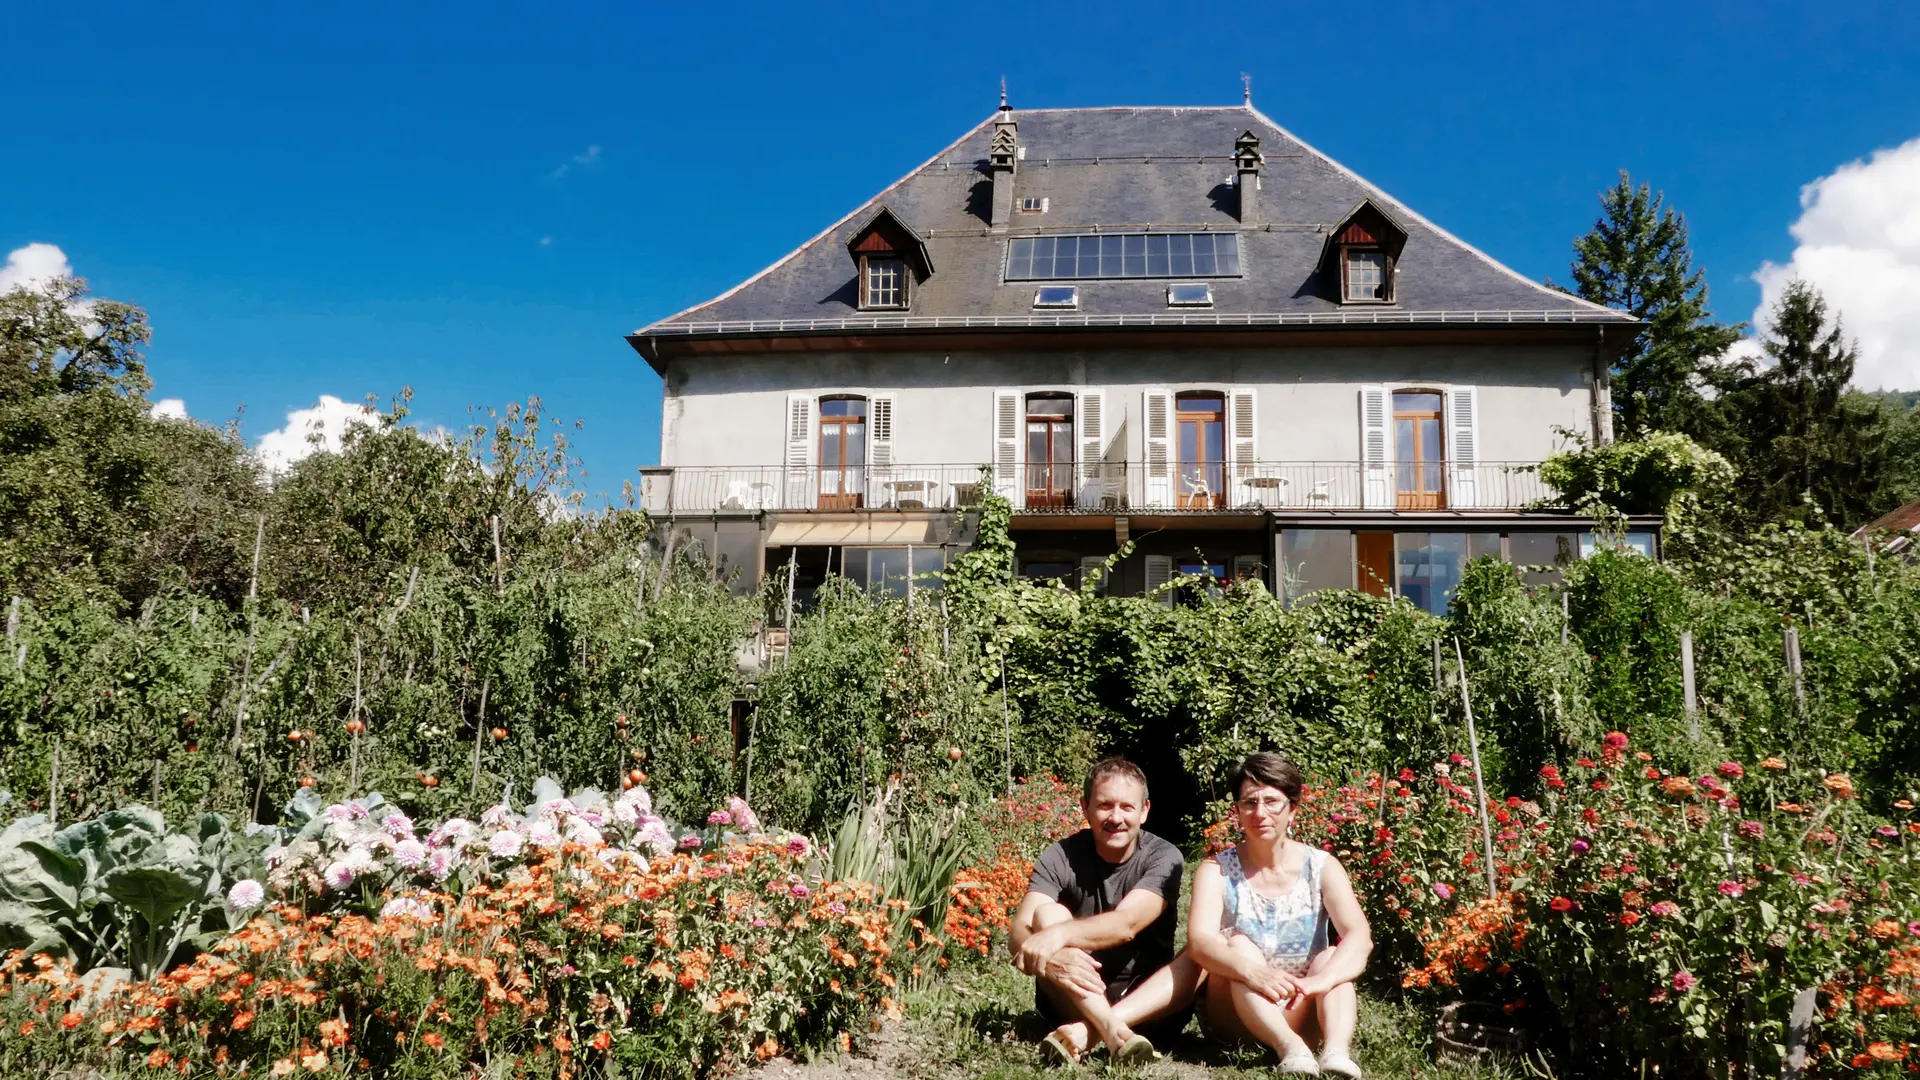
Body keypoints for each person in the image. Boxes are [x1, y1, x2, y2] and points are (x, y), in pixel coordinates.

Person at [1009, 757, 1205, 1066]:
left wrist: (1056, 937)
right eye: (1104, 806)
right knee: (1045, 914)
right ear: (1085, 807)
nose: (1116, 817)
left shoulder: (1164, 856)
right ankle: (1112, 1030)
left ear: (1144, 811)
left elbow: (1126, 924)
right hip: (1070, 999)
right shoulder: (1060, 856)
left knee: (1203, 951)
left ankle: (1094, 1031)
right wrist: (1052, 955)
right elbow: (1020, 928)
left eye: (1127, 807)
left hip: (1149, 1006)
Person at [1188, 753, 1372, 1077]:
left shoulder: (1322, 867)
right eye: (1249, 803)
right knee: (1239, 945)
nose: (1260, 812)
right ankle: (1289, 1047)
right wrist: (1252, 972)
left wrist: (1321, 981)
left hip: (1301, 1004)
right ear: (1238, 811)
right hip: (1237, 1015)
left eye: (1272, 802)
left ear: (1293, 809)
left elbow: (1359, 936)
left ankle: (1336, 1052)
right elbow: (1199, 943)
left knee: (1332, 955)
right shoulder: (1215, 870)